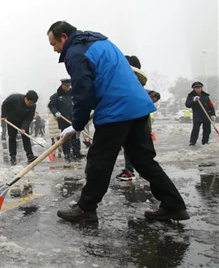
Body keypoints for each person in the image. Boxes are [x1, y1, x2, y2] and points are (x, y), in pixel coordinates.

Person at [47, 21, 189, 221]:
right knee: (143, 160)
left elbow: (83, 93)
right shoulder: (102, 42)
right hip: (137, 106)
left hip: (116, 109)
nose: (54, 49)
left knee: (99, 161)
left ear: (64, 36)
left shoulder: (76, 53)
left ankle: (86, 208)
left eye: (54, 44)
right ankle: (174, 205)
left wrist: (76, 125)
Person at [48, 78, 84, 162]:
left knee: (76, 137)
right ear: (62, 85)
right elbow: (51, 105)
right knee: (65, 138)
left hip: (74, 119)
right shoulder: (56, 96)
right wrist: (55, 112)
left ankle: (76, 153)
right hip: (63, 120)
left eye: (69, 86)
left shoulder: (74, 94)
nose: (68, 87)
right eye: (66, 86)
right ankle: (67, 154)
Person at [1, 90, 39, 165]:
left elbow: (29, 117)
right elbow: (4, 104)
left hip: (23, 121)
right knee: (12, 137)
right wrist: (4, 116)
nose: (31, 105)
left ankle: (30, 155)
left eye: (33, 103)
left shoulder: (33, 106)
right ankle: (13, 156)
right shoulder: (14, 98)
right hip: (11, 120)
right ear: (26, 98)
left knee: (26, 136)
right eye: (30, 103)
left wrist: (24, 127)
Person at [185, 81, 216, 146]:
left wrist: (213, 114)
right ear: (194, 89)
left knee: (207, 129)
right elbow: (187, 104)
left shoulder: (205, 96)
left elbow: (210, 105)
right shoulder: (191, 96)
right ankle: (192, 142)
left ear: (201, 88)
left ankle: (205, 141)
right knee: (195, 129)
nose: (198, 89)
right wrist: (193, 100)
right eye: (196, 88)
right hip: (197, 115)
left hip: (206, 115)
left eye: (199, 88)